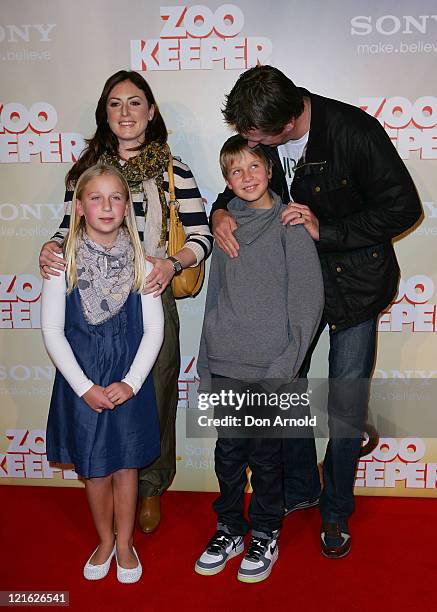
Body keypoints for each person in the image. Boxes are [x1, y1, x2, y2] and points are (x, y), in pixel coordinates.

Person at [211, 65, 422, 558]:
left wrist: (326, 230)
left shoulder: (354, 131)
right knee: (286, 395)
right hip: (288, 290)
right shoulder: (260, 126)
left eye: (256, 135)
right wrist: (221, 208)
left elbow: (403, 208)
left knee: (344, 404)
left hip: (356, 286)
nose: (249, 141)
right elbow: (245, 180)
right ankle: (300, 487)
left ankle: (335, 510)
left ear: (286, 124)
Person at [39, 70, 213, 534]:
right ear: (105, 114)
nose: (126, 113)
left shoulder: (176, 172)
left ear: (151, 112)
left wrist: (171, 265)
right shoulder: (84, 172)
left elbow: (201, 235)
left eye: (135, 103)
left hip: (149, 295)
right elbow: (68, 228)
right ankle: (103, 477)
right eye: (115, 104)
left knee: (152, 393)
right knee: (94, 391)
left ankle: (151, 487)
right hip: (89, 302)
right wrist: (51, 247)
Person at [195, 135, 324, 583]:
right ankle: (230, 527)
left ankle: (266, 531)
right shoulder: (225, 226)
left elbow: (308, 305)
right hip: (227, 363)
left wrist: (285, 367)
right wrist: (206, 360)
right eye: (235, 171)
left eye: (254, 167)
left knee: (269, 459)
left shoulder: (290, 224)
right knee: (228, 454)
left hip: (274, 370)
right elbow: (215, 299)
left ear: (271, 170)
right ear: (226, 180)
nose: (246, 178)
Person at [41, 164, 164, 583]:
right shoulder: (62, 264)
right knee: (94, 469)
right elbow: (53, 332)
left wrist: (131, 383)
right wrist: (83, 387)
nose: (106, 206)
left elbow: (153, 331)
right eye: (96, 198)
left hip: (129, 381)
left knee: (126, 466)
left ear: (127, 206)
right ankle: (105, 541)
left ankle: (126, 542)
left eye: (116, 198)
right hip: (83, 383)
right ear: (79, 207)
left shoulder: (144, 265)